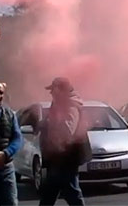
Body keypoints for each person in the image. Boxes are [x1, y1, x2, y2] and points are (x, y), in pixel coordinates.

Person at [38, 77, 92, 206]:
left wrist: (48, 124)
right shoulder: (60, 104)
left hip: (65, 158)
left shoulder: (70, 106)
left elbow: (67, 131)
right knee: (51, 192)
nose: (51, 93)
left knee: (71, 192)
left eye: (53, 89)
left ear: (61, 90)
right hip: (58, 157)